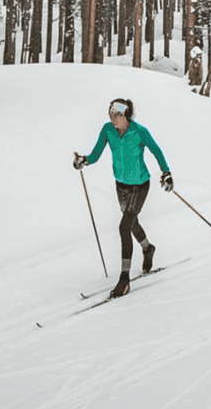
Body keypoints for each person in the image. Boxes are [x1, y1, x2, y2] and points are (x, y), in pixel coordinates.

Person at [73, 97, 173, 298]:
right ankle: (148, 248)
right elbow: (96, 154)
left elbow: (156, 150)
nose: (112, 118)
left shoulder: (139, 131)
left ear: (126, 115)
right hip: (121, 185)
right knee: (131, 222)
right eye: (110, 114)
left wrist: (166, 172)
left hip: (140, 185)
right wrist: (84, 160)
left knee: (123, 226)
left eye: (116, 115)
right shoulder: (107, 130)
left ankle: (124, 279)